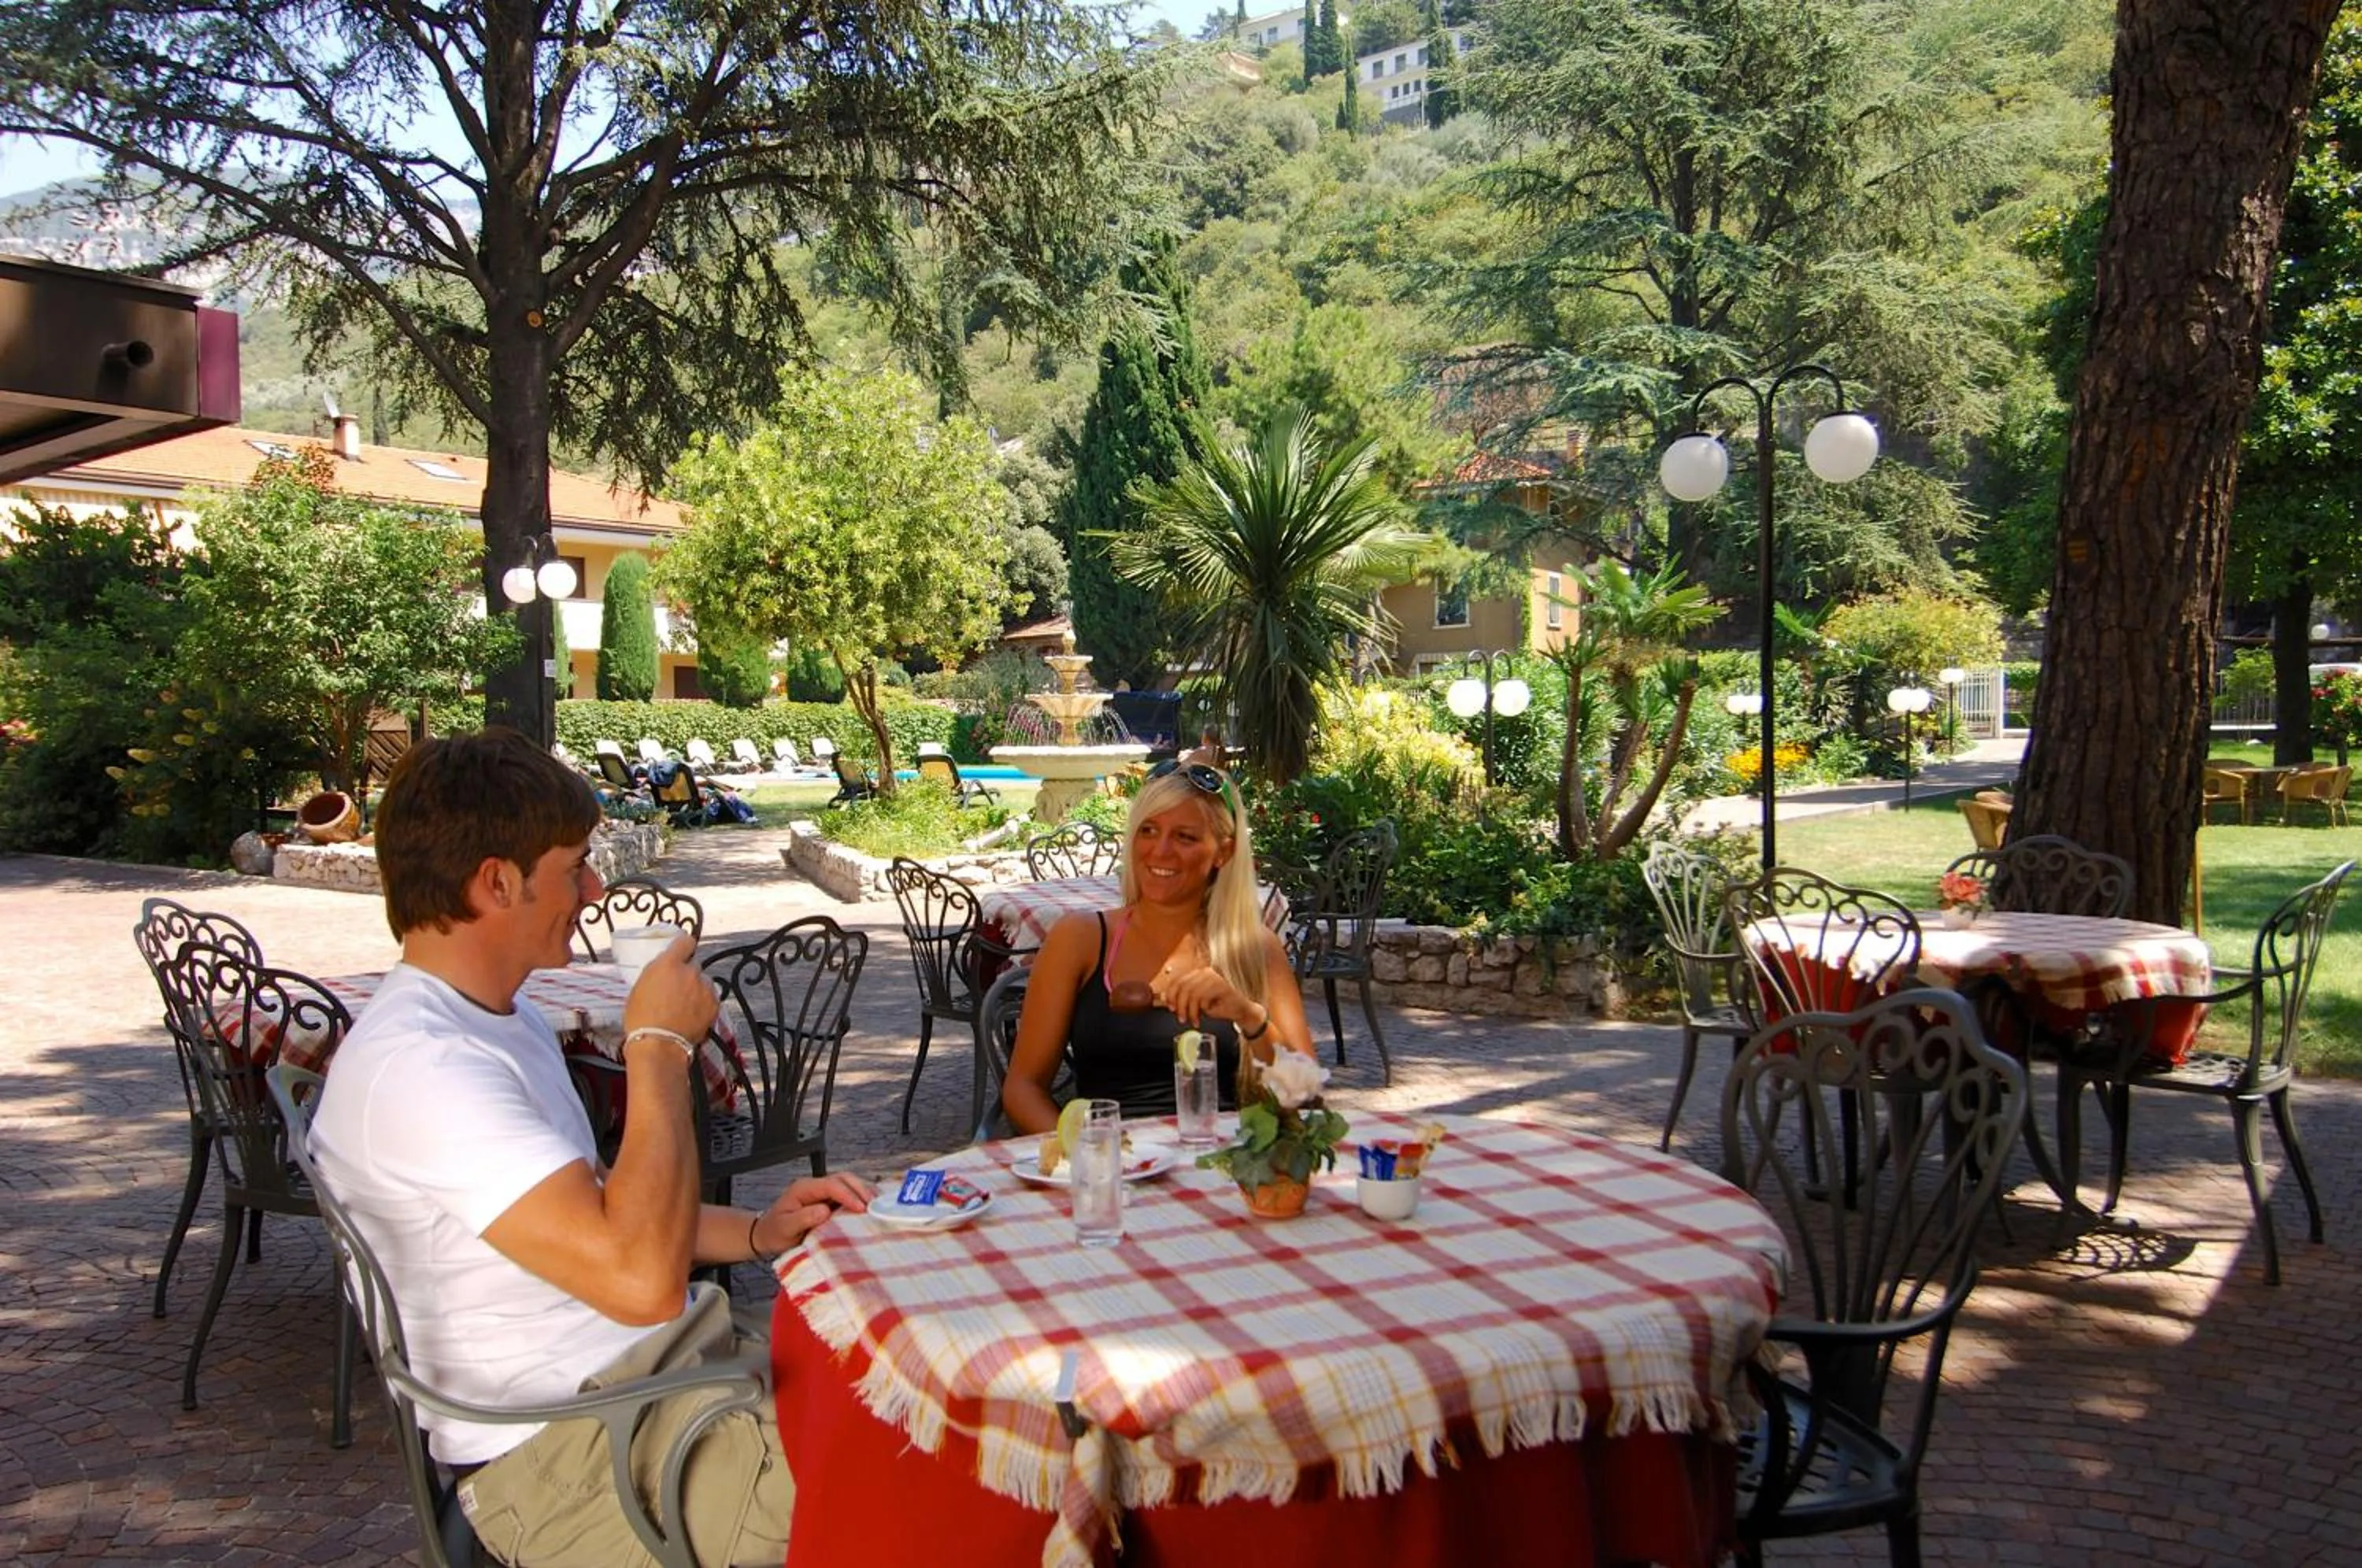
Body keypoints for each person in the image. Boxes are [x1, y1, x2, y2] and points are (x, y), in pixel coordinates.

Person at [310, 729, 870, 1567]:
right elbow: (641, 1284)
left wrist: (756, 1232)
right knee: (940, 1479)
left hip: (648, 1390)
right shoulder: (425, 1068)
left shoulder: (496, 1016)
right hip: (564, 1463)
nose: (596, 887)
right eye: (573, 866)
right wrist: (656, 1049)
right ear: (497, 883)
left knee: (920, 1406)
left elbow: (604, 1205)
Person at [1001, 760, 1316, 1133]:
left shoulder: (1254, 948)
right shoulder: (1079, 939)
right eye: (1148, 830)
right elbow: (1022, 1088)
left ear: (1223, 852)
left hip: (1224, 1166)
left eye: (1185, 837)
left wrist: (1248, 1016)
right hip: (1113, 1165)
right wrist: (1085, 1156)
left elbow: (1305, 1094)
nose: (1160, 851)